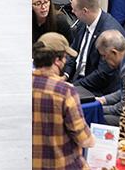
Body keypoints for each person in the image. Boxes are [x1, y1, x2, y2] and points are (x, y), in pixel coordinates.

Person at [32, 32, 95, 169]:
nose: (66, 61)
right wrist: (93, 139)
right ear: (56, 60)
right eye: (65, 57)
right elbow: (84, 139)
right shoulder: (64, 91)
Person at [62, 0, 125, 94]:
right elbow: (72, 51)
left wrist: (73, 86)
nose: (72, 12)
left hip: (97, 88)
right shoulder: (83, 22)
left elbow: (103, 74)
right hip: (77, 78)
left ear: (85, 11)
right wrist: (65, 75)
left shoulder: (108, 34)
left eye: (74, 9)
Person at [94, 29, 125, 126]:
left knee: (98, 118)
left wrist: (98, 109)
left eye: (104, 56)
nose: (103, 60)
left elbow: (123, 108)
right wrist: (104, 100)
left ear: (114, 52)